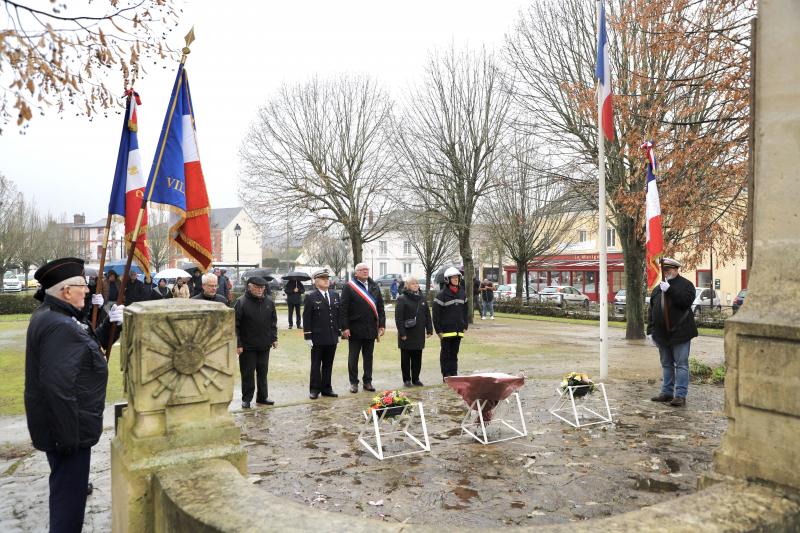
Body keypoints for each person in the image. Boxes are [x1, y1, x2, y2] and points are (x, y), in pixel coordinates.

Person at [24, 257, 125, 532]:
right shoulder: (59, 325)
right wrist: (69, 437)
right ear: (66, 291)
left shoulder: (60, 317)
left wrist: (111, 327)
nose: (88, 290)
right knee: (69, 504)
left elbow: (86, 348)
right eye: (83, 286)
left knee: (68, 492)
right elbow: (58, 387)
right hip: (68, 432)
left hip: (67, 428)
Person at [647, 257, 698, 407]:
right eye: (664, 271)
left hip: (680, 333)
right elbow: (651, 310)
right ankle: (667, 392)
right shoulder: (658, 289)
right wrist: (650, 331)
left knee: (681, 365)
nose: (666, 273)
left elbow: (685, 302)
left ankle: (680, 395)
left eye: (669, 270)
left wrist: (670, 290)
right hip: (662, 334)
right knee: (666, 364)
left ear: (676, 270)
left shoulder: (686, 285)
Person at [340, 262, 386, 393]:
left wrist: (381, 324)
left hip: (371, 328)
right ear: (356, 273)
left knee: (368, 357)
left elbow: (380, 307)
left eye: (367, 269)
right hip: (354, 328)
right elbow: (343, 309)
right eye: (362, 270)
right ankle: (354, 383)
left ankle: (368, 381)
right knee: (353, 358)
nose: (365, 271)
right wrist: (345, 327)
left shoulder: (375, 286)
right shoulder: (349, 287)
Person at [234, 277, 278, 409]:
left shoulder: (269, 302)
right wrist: (238, 344)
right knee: (247, 373)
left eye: (262, 287)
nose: (260, 290)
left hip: (264, 344)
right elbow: (235, 325)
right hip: (247, 346)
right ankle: (246, 398)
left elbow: (273, 323)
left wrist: (274, 338)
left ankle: (262, 397)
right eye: (257, 287)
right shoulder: (241, 302)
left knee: (263, 372)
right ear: (249, 287)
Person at [302, 269, 341, 399]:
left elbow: (337, 316)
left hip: (331, 335)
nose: (326, 280)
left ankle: (326, 388)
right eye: (323, 279)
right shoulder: (310, 297)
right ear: (316, 282)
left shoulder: (335, 295)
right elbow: (306, 317)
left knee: (328, 364)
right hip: (317, 337)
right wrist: (307, 336)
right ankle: (314, 389)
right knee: (316, 364)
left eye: (327, 278)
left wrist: (338, 333)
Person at [394, 276, 433, 387]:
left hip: (419, 333)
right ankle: (407, 379)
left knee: (417, 358)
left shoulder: (422, 298)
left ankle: (416, 379)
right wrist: (402, 333)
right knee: (406, 358)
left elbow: (427, 315)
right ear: (407, 286)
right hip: (406, 334)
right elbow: (398, 318)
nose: (416, 285)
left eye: (417, 283)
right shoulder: (402, 298)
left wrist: (429, 329)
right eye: (413, 283)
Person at [433, 266, 469, 380]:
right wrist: (438, 330)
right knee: (445, 355)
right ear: (447, 280)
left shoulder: (462, 293)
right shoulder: (441, 295)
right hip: (446, 331)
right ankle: (446, 375)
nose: (456, 280)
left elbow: (465, 311)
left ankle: (454, 374)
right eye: (453, 278)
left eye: (457, 278)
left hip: (458, 330)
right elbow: (436, 314)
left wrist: (465, 325)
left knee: (454, 354)